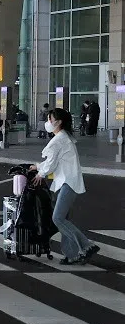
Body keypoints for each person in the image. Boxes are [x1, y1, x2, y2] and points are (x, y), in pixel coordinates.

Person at [29, 108, 99, 265]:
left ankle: (87, 245)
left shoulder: (59, 140)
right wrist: (38, 167)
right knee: (63, 219)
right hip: (64, 181)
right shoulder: (63, 137)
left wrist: (40, 173)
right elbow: (53, 161)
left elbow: (51, 164)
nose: (48, 122)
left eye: (50, 119)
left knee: (58, 218)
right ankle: (72, 255)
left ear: (59, 122)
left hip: (68, 182)